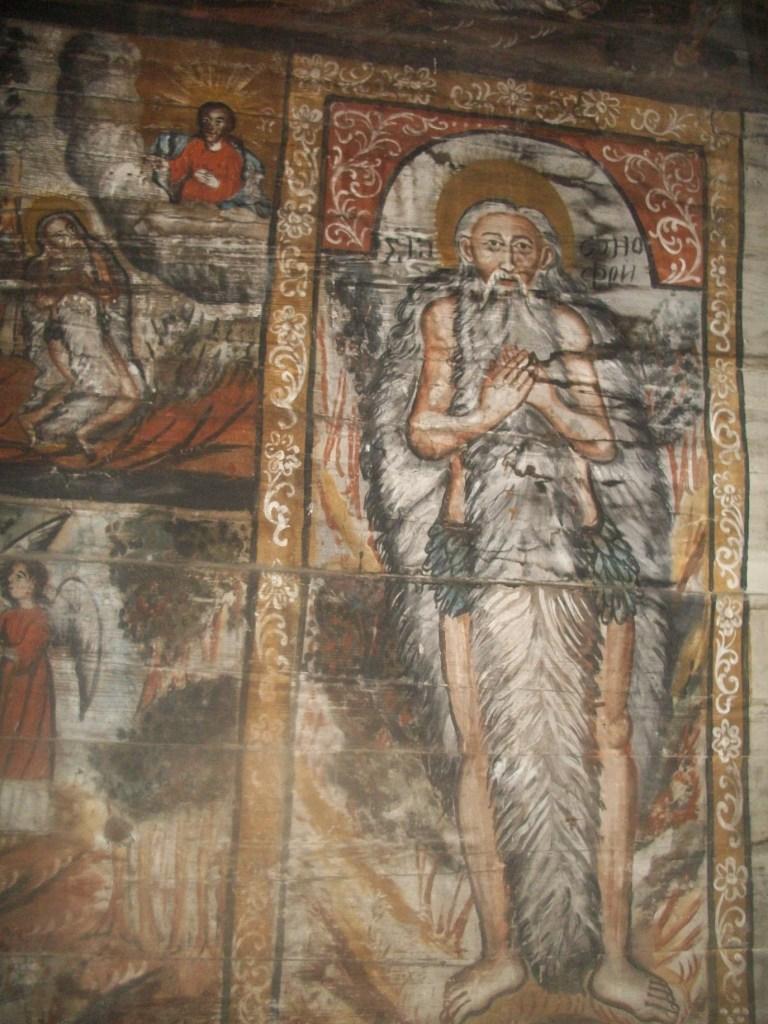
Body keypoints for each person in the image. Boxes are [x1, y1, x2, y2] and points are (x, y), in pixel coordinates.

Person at [366, 200, 678, 1024]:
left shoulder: (568, 325)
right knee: (477, 748)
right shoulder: (444, 316)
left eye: (523, 245)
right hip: (475, 550)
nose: (507, 259)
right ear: (467, 254)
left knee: (610, 739)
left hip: (583, 551)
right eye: (491, 244)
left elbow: (601, 441)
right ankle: (500, 950)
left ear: (544, 258)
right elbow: (426, 432)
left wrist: (537, 392)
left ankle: (615, 958)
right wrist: (489, 414)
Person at [18, 212, 142, 457]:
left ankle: (77, 430)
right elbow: (43, 302)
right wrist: (74, 286)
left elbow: (110, 293)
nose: (68, 238)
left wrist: (84, 285)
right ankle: (53, 431)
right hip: (64, 335)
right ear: (47, 242)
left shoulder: (93, 255)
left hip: (99, 331)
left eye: (69, 230)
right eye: (58, 235)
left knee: (131, 394)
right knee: (98, 387)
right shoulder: (44, 264)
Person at [149, 101, 270, 214]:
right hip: (187, 200)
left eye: (218, 122)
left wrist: (216, 184)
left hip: (213, 206)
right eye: (206, 120)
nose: (211, 127)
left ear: (228, 126)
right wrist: (166, 165)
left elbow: (234, 185)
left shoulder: (232, 155)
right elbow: (180, 165)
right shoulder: (195, 145)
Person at [0, 560, 54, 782]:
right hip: (7, 681)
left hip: (30, 686)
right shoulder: (8, 615)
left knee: (24, 731)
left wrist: (4, 651)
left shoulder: (40, 618)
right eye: (11, 576)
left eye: (19, 577)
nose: (10, 581)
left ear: (33, 584)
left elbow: (26, 654)